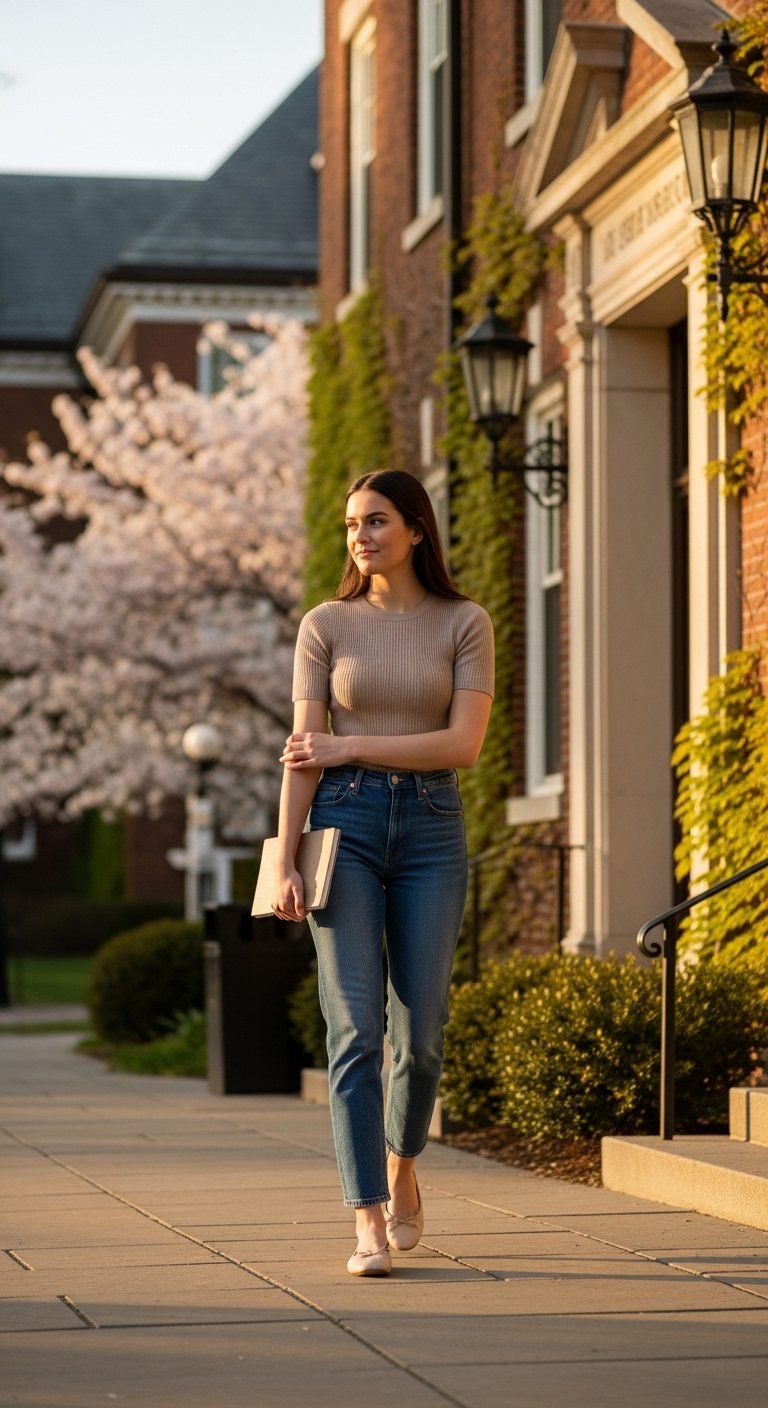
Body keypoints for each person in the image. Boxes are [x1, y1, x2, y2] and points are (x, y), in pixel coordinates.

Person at [272, 468, 494, 1276]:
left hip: (434, 826)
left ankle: (404, 1163)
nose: (359, 536)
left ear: (415, 530)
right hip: (346, 824)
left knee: (423, 1030)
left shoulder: (465, 622)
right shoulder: (324, 625)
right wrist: (289, 856)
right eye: (350, 523)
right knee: (356, 1026)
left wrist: (351, 743)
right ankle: (365, 1215)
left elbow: (461, 746)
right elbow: (304, 754)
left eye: (374, 521)